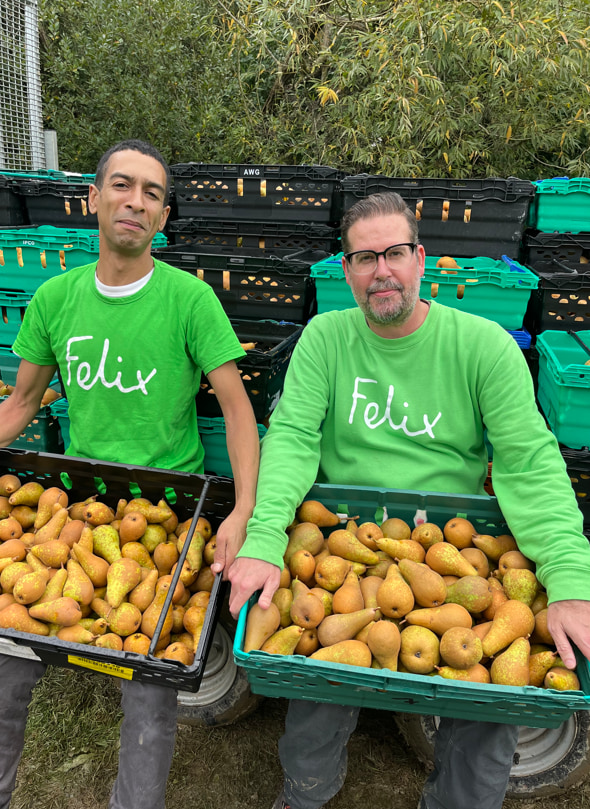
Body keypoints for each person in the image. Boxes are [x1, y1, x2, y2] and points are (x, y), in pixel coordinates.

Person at [227, 191, 590, 809]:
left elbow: (530, 462)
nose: (381, 270)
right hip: (341, 540)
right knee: (317, 677)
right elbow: (289, 440)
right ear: (346, 271)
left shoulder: (484, 347)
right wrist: (263, 539)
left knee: (486, 701)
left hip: (456, 541)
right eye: (364, 258)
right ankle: (305, 793)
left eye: (395, 252)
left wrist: (571, 578)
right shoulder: (324, 338)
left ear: (421, 259)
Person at [0, 139, 260, 809]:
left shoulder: (190, 301)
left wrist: (240, 511)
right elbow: (21, 403)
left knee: (149, 684)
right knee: (4, 654)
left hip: (168, 509)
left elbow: (236, 410)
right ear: (93, 198)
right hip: (76, 500)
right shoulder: (56, 299)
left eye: (151, 192)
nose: (135, 200)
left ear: (162, 215)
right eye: (122, 185)